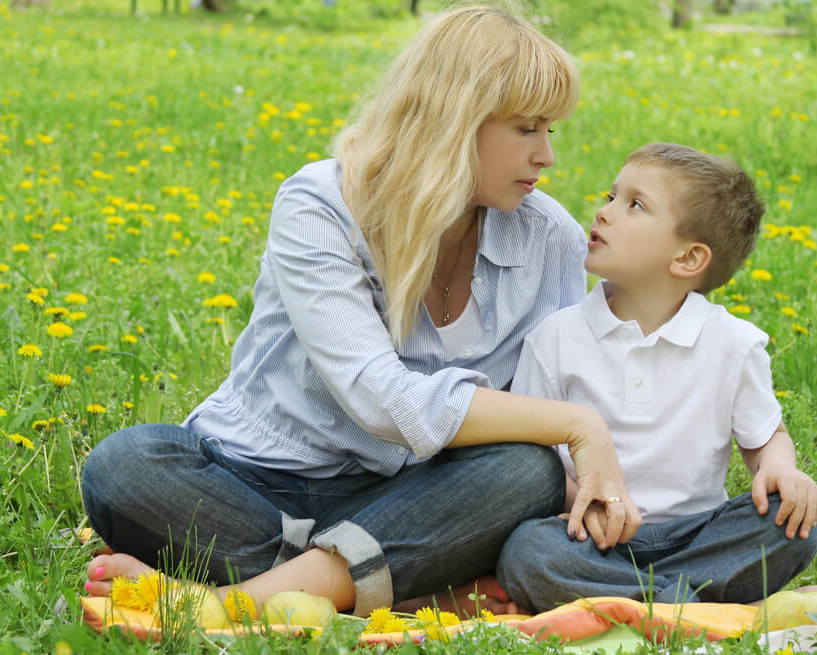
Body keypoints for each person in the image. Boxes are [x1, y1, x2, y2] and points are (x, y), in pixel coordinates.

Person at [80, 5, 640, 618]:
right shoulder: (320, 205)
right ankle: (409, 587)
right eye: (527, 129)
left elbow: (566, 375)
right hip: (257, 482)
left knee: (525, 472)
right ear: (456, 120)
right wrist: (580, 426)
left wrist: (762, 437)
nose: (546, 157)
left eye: (549, 131)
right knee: (127, 468)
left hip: (412, 497)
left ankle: (234, 602)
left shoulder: (548, 237)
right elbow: (377, 397)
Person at [496, 143, 817, 612]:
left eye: (634, 205)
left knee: (788, 526)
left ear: (687, 259)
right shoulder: (555, 337)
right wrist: (589, 502)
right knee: (528, 552)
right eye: (612, 195)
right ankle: (708, 606)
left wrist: (780, 470)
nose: (605, 212)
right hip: (593, 536)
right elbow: (533, 455)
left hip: (700, 534)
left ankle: (636, 603)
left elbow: (766, 439)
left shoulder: (733, 344)